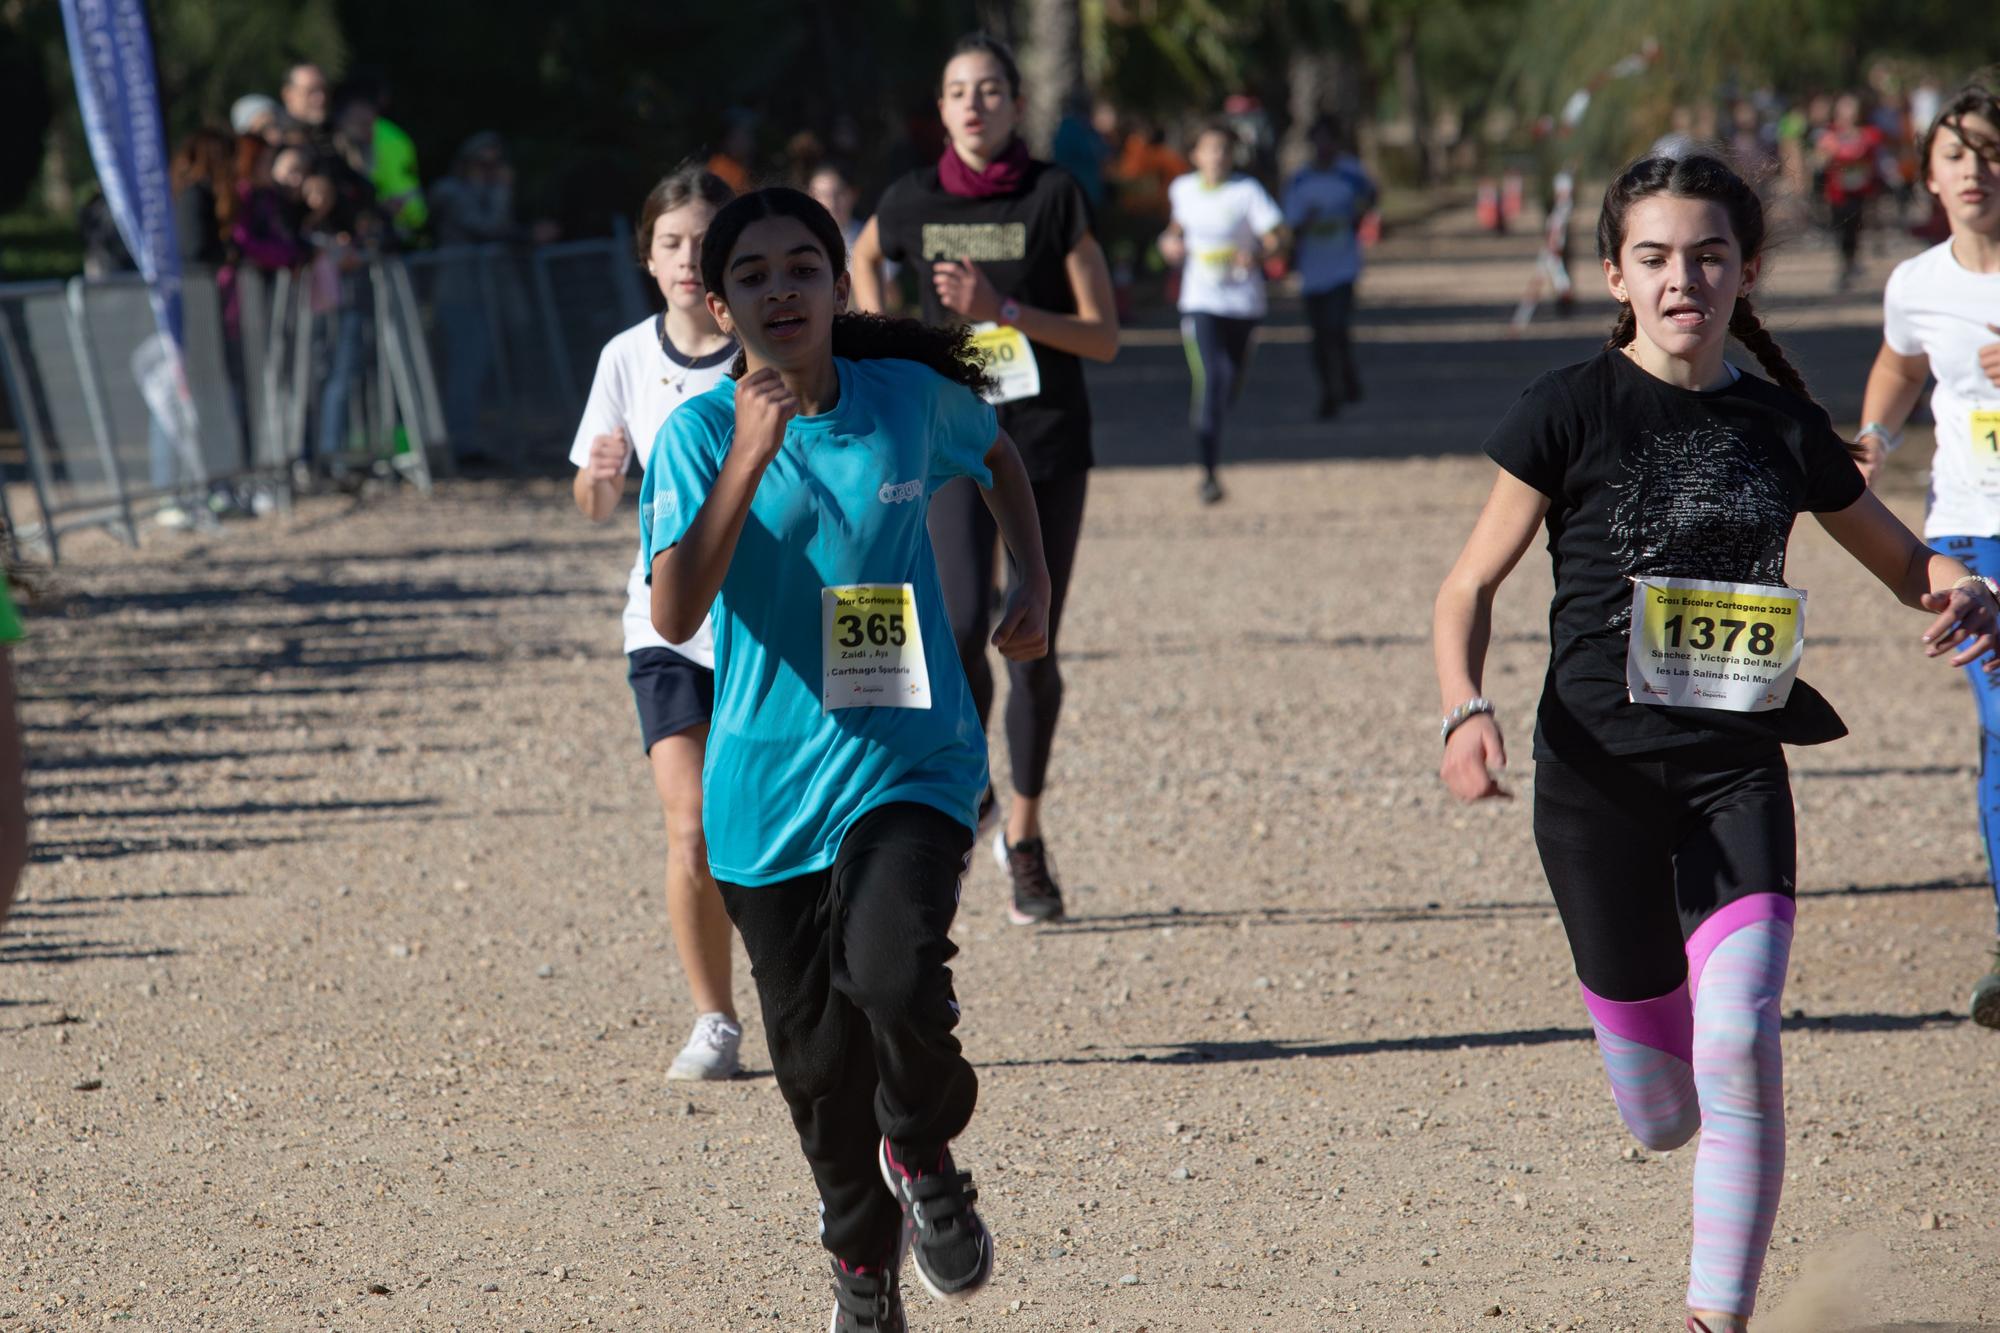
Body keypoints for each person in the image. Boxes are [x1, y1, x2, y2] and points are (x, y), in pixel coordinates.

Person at [1433, 152, 2000, 1333]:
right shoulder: (1564, 408)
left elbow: (1897, 557)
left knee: (1737, 1037)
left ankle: (1712, 1318)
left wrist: (1955, 583)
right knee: (1660, 1113)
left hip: (1733, 772)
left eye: (1706, 254)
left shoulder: (1776, 423)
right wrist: (1462, 705)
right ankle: (1664, 1098)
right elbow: (1465, 586)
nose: (1680, 276)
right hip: (1589, 784)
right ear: (1614, 275)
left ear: (1742, 272)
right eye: (1653, 257)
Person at [642, 186, 1049, 1332]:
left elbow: (1001, 457)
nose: (783, 289)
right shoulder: (698, 437)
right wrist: (749, 453)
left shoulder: (906, 402)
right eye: (756, 275)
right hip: (765, 792)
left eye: (803, 267)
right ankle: (857, 1262)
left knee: (894, 973)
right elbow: (674, 611)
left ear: (837, 285)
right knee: (816, 1069)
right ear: (720, 306)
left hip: (907, 759)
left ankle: (921, 1153)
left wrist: (1034, 578)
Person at [853, 32, 1119, 926]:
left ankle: (1029, 838)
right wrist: (888, 338)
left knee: (1032, 636)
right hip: (948, 446)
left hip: (1044, 440)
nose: (975, 104)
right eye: (959, 91)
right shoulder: (910, 200)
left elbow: (1104, 333)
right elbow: (861, 259)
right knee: (960, 625)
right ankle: (979, 802)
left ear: (1014, 104)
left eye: (992, 90)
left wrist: (1001, 311)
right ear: (940, 110)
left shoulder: (1052, 194)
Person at [567, 166, 744, 1080]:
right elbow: (594, 502)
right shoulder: (626, 356)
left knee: (785, 823)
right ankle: (713, 1016)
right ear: (647, 255)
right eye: (670, 242)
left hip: (768, 622)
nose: (686, 259)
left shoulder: (766, 344)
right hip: (666, 623)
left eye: (702, 242)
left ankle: (829, 987)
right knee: (693, 830)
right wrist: (600, 475)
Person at [1850, 79, 2000, 1028]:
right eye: (1957, 155)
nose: (1975, 169)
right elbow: (1902, 365)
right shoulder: (1918, 284)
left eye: (1989, 150)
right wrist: (1872, 444)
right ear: (1931, 178)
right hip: (1969, 533)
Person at [1160, 120, 1286, 503]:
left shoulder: (1247, 192)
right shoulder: (1182, 189)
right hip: (1200, 301)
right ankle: (1209, 473)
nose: (1217, 156)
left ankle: (1213, 421)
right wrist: (1168, 243)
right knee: (1212, 379)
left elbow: (1279, 237)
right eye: (1209, 149)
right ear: (1195, 154)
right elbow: (1175, 230)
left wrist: (1260, 253)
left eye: (1224, 149)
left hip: (1243, 304)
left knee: (1228, 381)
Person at [1282, 114, 1376, 417]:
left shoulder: (1350, 172)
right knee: (1319, 335)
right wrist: (1303, 224)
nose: (1324, 145)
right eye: (1318, 139)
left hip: (1343, 265)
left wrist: (1359, 215)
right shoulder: (1300, 180)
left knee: (1337, 327)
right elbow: (1287, 226)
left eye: (1328, 139)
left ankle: (1346, 379)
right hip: (1312, 270)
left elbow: (1371, 198)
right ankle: (1328, 391)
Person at [1817, 92, 1883, 290]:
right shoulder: (1830, 135)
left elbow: (1875, 160)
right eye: (1845, 107)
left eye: (1852, 107)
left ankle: (1852, 261)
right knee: (1841, 228)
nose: (1849, 112)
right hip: (1838, 192)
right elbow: (1820, 161)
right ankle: (1844, 264)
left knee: (1856, 227)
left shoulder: (1868, 134)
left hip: (1861, 190)